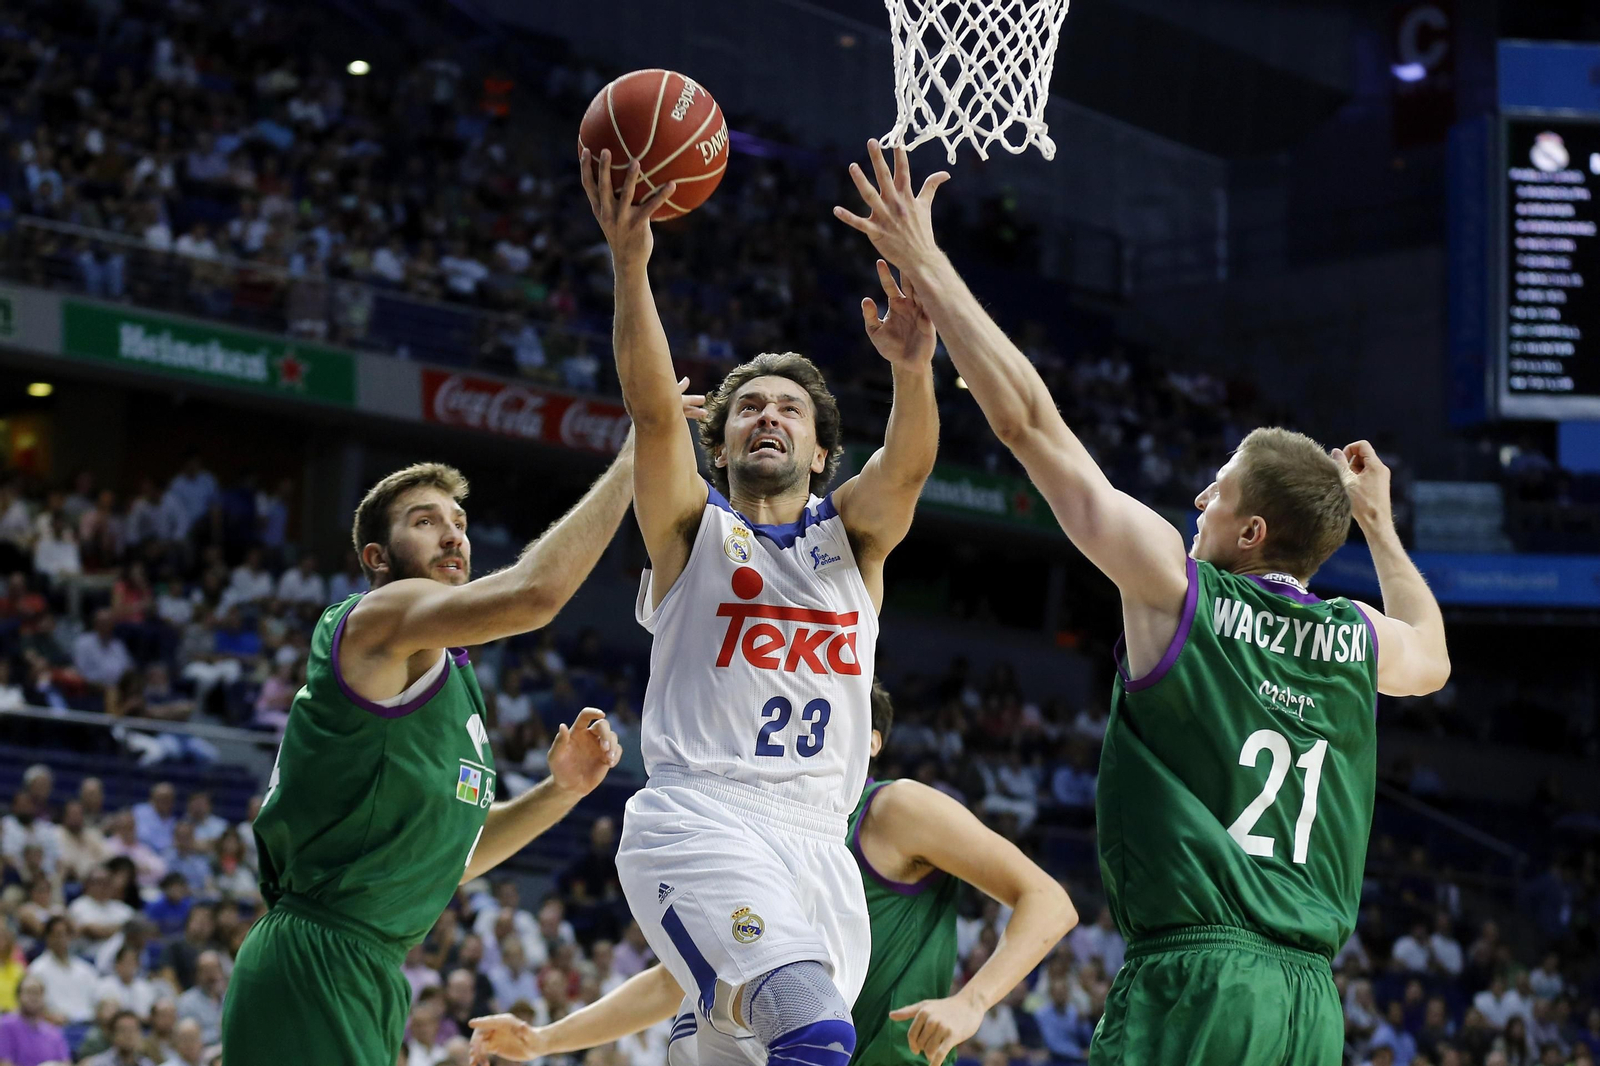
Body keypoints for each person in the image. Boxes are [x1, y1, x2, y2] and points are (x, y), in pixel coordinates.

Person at [832, 140, 1453, 1065]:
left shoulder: (1176, 586)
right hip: (1310, 1008)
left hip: (1198, 983)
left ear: (1250, 534)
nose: (1200, 499)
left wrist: (929, 261)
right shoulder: (1358, 640)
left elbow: (1028, 424)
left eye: (1219, 488)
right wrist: (1381, 528)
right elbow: (1433, 656)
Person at [578, 143, 940, 1066]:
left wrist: (911, 367)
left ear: (821, 453)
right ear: (723, 438)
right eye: (746, 408)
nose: (767, 417)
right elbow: (655, 415)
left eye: (789, 409)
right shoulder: (689, 531)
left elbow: (907, 468)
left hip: (823, 846)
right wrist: (631, 261)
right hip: (703, 817)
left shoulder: (850, 539)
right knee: (814, 1031)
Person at [219, 434, 703, 1066]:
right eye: (426, 523)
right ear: (377, 556)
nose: (453, 536)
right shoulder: (375, 620)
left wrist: (562, 790)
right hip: (315, 956)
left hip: (372, 969)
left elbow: (456, 859)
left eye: (460, 523)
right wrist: (633, 458)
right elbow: (538, 594)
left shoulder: (454, 680)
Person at [470, 681, 1075, 1066]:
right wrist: (546, 1040)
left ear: (870, 742)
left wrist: (973, 1003)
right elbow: (674, 980)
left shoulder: (895, 809)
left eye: (833, 715)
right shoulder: (752, 828)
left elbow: (1048, 899)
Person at [0, 974, 71, 1066]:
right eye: (29, 992)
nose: (33, 997)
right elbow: (4, 1063)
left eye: (37, 993)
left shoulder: (54, 1032)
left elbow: (66, 1063)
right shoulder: (5, 1026)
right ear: (18, 996)